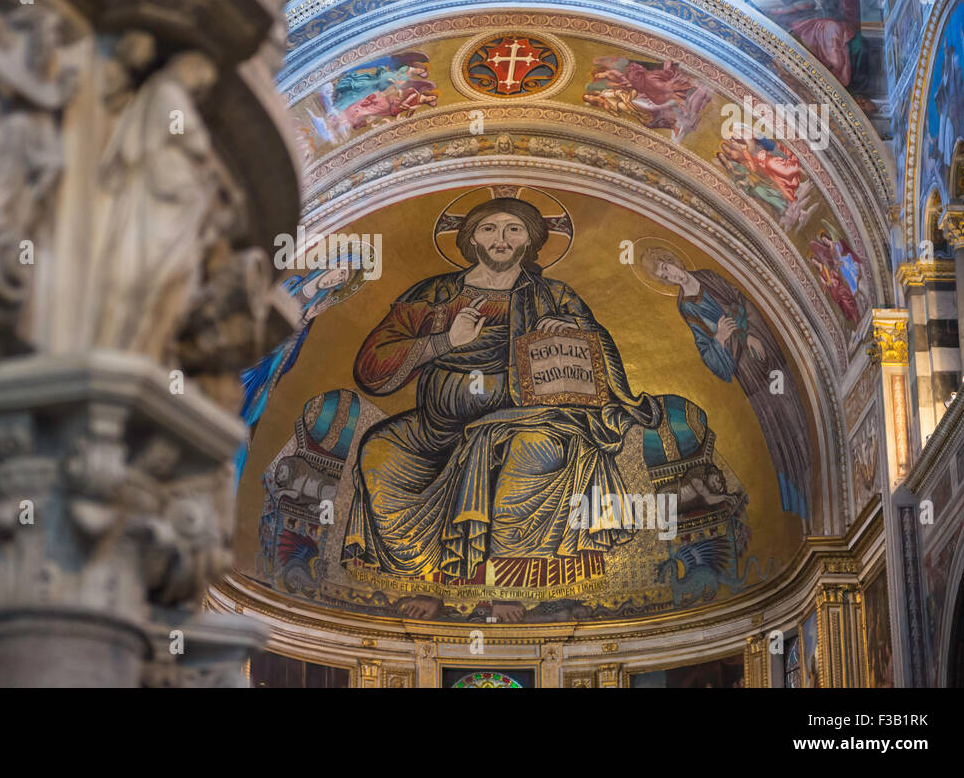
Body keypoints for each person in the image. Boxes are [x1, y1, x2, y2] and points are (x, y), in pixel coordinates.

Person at [342, 197, 662, 613]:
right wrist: (444, 341)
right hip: (437, 429)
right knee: (379, 450)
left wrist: (572, 332)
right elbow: (372, 367)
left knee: (528, 450)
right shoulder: (434, 293)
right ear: (471, 238)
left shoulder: (555, 295)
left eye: (514, 229)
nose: (501, 239)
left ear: (530, 240)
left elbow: (605, 369)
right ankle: (424, 580)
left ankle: (508, 588)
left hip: (534, 419)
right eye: (489, 228)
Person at [639, 247, 812, 521]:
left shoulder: (708, 276)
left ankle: (810, 465)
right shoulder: (686, 306)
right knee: (773, 421)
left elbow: (742, 302)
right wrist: (720, 338)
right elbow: (706, 350)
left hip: (760, 345)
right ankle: (797, 492)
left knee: (790, 406)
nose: (670, 274)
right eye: (663, 275)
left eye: (666, 266)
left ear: (673, 260)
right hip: (742, 365)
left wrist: (751, 334)